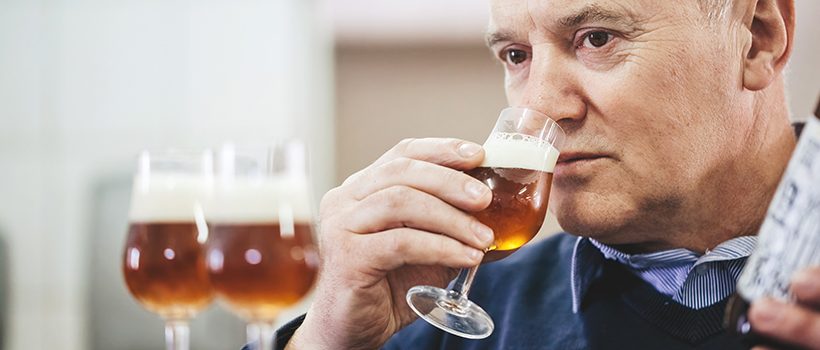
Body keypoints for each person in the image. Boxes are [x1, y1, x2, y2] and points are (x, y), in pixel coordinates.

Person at [269, 0, 820, 349]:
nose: (542, 106)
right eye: (515, 55)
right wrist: (323, 339)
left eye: (597, 38)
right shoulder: (434, 318)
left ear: (758, 37)